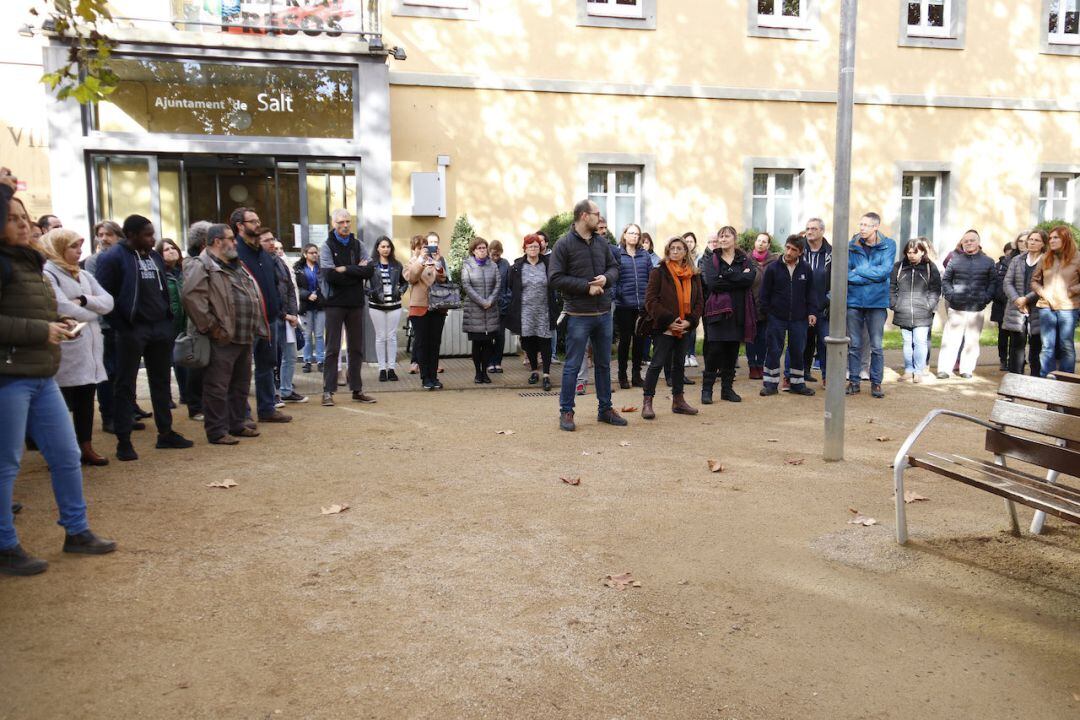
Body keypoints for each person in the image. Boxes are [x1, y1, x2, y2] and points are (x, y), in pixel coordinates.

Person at [0, 183, 116, 575]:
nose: (23, 225)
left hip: (41, 372)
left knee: (67, 455)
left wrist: (55, 321)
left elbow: (46, 310)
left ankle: (77, 530)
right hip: (9, 375)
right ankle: (5, 544)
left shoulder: (27, 262)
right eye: (12, 219)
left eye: (23, 218)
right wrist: (39, 330)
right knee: (7, 464)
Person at [94, 214, 194, 460]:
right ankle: (124, 441)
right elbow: (104, 296)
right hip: (132, 329)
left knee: (160, 382)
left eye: (153, 233)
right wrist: (123, 325)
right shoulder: (113, 258)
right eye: (147, 234)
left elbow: (162, 289)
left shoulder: (155, 257)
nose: (153, 239)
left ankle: (166, 433)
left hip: (159, 327)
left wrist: (167, 319)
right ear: (131, 235)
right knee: (125, 385)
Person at [182, 224, 268, 445]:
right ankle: (217, 430)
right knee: (217, 385)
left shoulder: (234, 264)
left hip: (243, 335)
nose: (235, 242)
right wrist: (212, 327)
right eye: (231, 238)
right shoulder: (201, 265)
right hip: (221, 336)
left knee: (240, 384)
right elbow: (192, 298)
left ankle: (237, 423)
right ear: (217, 241)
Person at [549, 199, 625, 431]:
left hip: (603, 314)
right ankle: (567, 412)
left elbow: (614, 268)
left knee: (603, 364)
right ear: (584, 216)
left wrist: (606, 279)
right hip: (578, 315)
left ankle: (605, 409)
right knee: (572, 365)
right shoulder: (563, 244)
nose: (600, 218)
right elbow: (554, 278)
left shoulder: (601, 242)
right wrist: (586, 286)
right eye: (596, 214)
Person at [42, 228, 114, 466]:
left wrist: (84, 300)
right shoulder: (48, 273)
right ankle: (59, 451)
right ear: (59, 247)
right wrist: (92, 312)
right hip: (67, 349)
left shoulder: (83, 274)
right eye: (73, 246)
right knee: (61, 405)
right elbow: (61, 307)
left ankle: (86, 446)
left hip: (89, 348)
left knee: (86, 400)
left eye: (79, 246)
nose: (79, 251)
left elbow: (108, 302)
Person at [231, 207, 292, 422]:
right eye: (253, 221)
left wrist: (280, 310)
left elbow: (277, 284)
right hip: (246, 321)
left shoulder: (264, 254)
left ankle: (267, 409)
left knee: (267, 365)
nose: (257, 224)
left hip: (270, 318)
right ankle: (242, 415)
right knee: (242, 370)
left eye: (258, 220)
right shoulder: (234, 253)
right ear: (240, 226)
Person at [640, 236, 704, 419]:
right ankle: (647, 402)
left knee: (679, 365)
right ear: (667, 251)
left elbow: (699, 301)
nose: (675, 251)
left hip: (684, 327)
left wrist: (690, 321)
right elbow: (650, 301)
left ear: (686, 252)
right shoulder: (658, 272)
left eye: (679, 248)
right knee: (657, 363)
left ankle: (678, 401)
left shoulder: (694, 274)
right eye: (672, 248)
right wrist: (668, 320)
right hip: (664, 327)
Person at [317, 209, 375, 406]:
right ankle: (328, 391)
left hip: (355, 303)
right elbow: (329, 275)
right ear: (333, 223)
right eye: (341, 222)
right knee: (332, 349)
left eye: (348, 222)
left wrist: (346, 269)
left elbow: (369, 270)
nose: (345, 225)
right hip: (334, 303)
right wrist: (356, 273)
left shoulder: (358, 244)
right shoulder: (326, 246)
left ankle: (357, 390)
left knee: (356, 348)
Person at [699, 226, 756, 403]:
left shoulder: (743, 259)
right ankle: (706, 390)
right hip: (717, 312)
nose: (723, 239)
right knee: (714, 351)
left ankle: (727, 389)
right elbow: (714, 284)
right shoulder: (712, 259)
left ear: (734, 238)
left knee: (732, 351)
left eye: (727, 236)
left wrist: (727, 276)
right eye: (721, 236)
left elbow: (750, 279)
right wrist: (738, 277)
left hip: (739, 311)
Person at [759, 235, 818, 398]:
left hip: (799, 318)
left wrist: (812, 312)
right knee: (774, 350)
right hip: (776, 317)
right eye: (788, 247)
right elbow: (764, 293)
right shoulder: (772, 268)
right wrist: (767, 313)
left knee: (798, 350)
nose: (789, 252)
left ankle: (797, 384)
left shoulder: (806, 269)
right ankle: (770, 384)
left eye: (794, 250)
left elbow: (811, 293)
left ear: (800, 252)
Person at [846, 213, 896, 398]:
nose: (862, 228)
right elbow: (846, 273)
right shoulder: (852, 244)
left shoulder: (888, 244)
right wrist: (868, 275)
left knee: (876, 345)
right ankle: (853, 381)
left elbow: (884, 272)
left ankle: (876, 383)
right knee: (854, 344)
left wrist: (858, 271)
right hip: (854, 301)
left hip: (876, 302)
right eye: (861, 224)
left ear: (876, 227)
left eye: (866, 225)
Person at [935, 230, 997, 380]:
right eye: (966, 241)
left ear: (978, 242)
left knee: (972, 341)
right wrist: (951, 296)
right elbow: (946, 280)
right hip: (957, 307)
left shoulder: (988, 261)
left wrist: (986, 298)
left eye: (972, 240)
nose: (969, 243)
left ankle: (966, 369)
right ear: (962, 243)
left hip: (977, 308)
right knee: (950, 340)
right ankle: (944, 369)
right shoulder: (955, 260)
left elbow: (993, 282)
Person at [259, 229, 304, 405]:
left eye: (275, 243)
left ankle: (286, 390)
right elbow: (268, 294)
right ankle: (272, 394)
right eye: (268, 241)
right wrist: (285, 315)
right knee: (270, 358)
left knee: (290, 355)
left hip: (287, 318)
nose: (273, 246)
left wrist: (293, 313)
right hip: (273, 317)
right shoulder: (260, 264)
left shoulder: (281, 263)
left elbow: (291, 290)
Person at [508, 234, 557, 391]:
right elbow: (510, 286)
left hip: (544, 309)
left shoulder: (548, 264)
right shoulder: (517, 266)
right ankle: (535, 370)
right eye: (530, 246)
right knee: (528, 342)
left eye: (536, 246)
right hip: (525, 310)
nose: (533, 249)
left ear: (540, 248)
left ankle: (547, 375)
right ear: (525, 248)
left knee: (545, 342)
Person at [889, 239, 941, 383]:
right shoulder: (898, 267)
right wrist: (894, 303)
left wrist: (929, 305)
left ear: (922, 252)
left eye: (915, 252)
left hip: (923, 312)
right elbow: (892, 287)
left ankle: (918, 371)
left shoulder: (930, 267)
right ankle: (908, 370)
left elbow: (936, 289)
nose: (911, 255)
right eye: (908, 252)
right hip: (903, 311)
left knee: (920, 342)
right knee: (907, 342)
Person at [1032, 225, 1080, 376]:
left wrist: (1071, 291)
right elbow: (1034, 281)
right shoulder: (1046, 257)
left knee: (1066, 345)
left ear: (1065, 238)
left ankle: (1066, 380)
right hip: (1046, 306)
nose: (1051, 240)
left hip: (1068, 307)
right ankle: (1047, 379)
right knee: (1047, 346)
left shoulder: (1077, 257)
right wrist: (1043, 293)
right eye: (1050, 238)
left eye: (1055, 238)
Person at [404, 233, 448, 390]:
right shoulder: (410, 263)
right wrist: (421, 260)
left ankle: (434, 377)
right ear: (414, 249)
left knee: (434, 343)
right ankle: (425, 378)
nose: (422, 250)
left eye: (424, 247)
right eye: (419, 248)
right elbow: (412, 278)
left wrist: (437, 262)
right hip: (419, 308)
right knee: (422, 343)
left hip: (437, 307)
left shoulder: (433, 262)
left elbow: (443, 278)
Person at [1002, 229, 1046, 375]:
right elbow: (1007, 282)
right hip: (1017, 308)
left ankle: (1034, 381)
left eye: (1037, 240)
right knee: (1016, 348)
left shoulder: (1047, 261)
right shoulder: (1017, 260)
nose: (1032, 242)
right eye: (1031, 239)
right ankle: (1015, 381)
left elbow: (1045, 285)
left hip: (1038, 309)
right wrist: (1018, 300)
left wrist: (1026, 299)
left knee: (1036, 348)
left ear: (1043, 244)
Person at [613, 223, 651, 389]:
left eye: (637, 234)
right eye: (631, 233)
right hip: (624, 305)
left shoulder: (645, 256)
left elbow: (651, 278)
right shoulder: (617, 254)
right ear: (625, 235)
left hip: (642, 306)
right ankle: (622, 375)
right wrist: (617, 294)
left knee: (640, 341)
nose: (634, 236)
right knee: (624, 341)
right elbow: (613, 278)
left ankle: (636, 375)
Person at [461, 236, 502, 384]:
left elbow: (498, 284)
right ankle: (478, 373)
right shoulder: (467, 265)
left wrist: (490, 300)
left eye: (484, 248)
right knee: (477, 343)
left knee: (488, 344)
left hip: (490, 310)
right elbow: (466, 285)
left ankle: (485, 372)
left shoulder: (493, 266)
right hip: (474, 311)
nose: (483, 250)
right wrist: (482, 301)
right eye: (479, 248)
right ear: (473, 251)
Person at [181, 221, 211, 422]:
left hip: (209, 320)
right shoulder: (192, 263)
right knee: (198, 363)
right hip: (200, 322)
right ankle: (195, 405)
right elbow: (192, 296)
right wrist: (205, 321)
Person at [367, 235, 407, 381]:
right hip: (376, 306)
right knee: (380, 337)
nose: (385, 249)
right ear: (377, 248)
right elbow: (363, 286)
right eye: (383, 246)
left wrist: (400, 291)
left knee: (391, 336)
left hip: (394, 305)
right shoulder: (371, 265)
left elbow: (404, 283)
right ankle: (382, 369)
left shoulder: (397, 265)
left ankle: (391, 368)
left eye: (388, 246)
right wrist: (372, 294)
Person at [798, 218, 831, 382]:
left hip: (823, 307)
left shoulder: (831, 254)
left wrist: (828, 300)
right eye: (807, 228)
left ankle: (827, 377)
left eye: (813, 229)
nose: (809, 232)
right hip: (801, 307)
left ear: (822, 231)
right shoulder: (798, 251)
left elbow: (837, 280)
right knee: (803, 342)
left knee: (825, 342)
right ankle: (799, 375)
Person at [156, 237, 187, 407]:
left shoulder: (185, 271)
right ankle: (165, 398)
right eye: (166, 249)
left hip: (185, 322)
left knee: (183, 361)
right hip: (168, 323)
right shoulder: (160, 273)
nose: (171, 251)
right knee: (165, 363)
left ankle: (186, 394)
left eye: (173, 247)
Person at [746, 232, 778, 379]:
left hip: (767, 306)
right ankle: (752, 365)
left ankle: (760, 364)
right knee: (751, 336)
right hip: (749, 305)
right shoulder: (746, 260)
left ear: (768, 245)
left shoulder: (774, 261)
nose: (760, 243)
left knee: (764, 337)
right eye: (758, 240)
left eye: (764, 241)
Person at [991, 233, 1025, 371]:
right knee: (1003, 335)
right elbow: (999, 283)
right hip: (1004, 304)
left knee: (1019, 336)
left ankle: (1016, 361)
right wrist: (1010, 299)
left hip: (1021, 304)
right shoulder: (1003, 264)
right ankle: (1003, 359)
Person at [294, 243, 325, 374]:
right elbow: (296, 288)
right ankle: (307, 361)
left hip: (320, 305)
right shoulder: (298, 269)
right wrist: (307, 295)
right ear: (305, 254)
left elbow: (326, 286)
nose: (315, 255)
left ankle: (320, 360)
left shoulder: (321, 268)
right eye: (312, 253)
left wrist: (319, 296)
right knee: (307, 335)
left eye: (316, 252)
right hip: (306, 306)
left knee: (319, 335)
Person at [488, 239, 512, 374]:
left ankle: (497, 362)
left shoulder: (505, 264)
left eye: (498, 255)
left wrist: (506, 299)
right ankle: (489, 362)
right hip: (487, 306)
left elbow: (510, 285)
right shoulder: (485, 264)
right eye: (493, 255)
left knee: (500, 335)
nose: (495, 258)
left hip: (502, 305)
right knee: (488, 335)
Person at [681, 232, 701, 368]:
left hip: (692, 301)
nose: (689, 243)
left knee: (692, 328)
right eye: (686, 241)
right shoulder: (678, 259)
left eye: (691, 241)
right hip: (681, 300)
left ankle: (691, 354)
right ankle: (683, 355)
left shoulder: (698, 258)